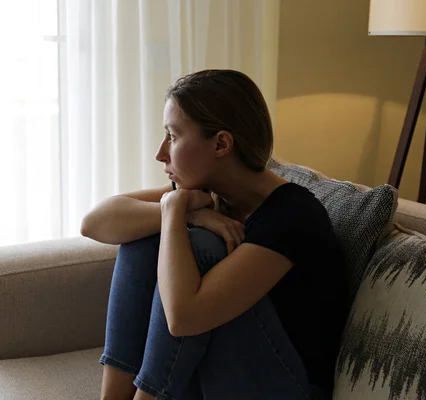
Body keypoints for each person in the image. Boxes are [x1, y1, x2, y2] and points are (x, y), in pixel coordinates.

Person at [80, 69, 348, 400]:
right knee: (147, 234)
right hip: (222, 373)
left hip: (289, 388)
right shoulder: (211, 195)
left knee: (196, 244)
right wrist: (183, 211)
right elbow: (94, 222)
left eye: (173, 136)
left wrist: (175, 210)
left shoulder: (293, 215)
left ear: (221, 143)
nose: (161, 153)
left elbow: (183, 319)